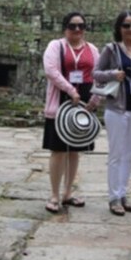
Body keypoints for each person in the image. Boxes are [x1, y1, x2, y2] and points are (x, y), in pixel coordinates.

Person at [94, 10, 131, 216]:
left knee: (129, 154)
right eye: (126, 26)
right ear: (119, 28)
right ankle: (113, 197)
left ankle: (123, 192)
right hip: (117, 107)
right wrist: (113, 74)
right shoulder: (111, 50)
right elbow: (96, 74)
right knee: (116, 153)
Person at [42, 12, 100, 214]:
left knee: (75, 149)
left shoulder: (92, 49)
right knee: (58, 150)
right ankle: (54, 194)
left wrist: (95, 99)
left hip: (83, 102)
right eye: (72, 26)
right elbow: (51, 70)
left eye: (81, 26)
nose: (77, 30)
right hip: (61, 99)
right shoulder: (56, 46)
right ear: (65, 27)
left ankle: (68, 192)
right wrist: (69, 90)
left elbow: (98, 75)